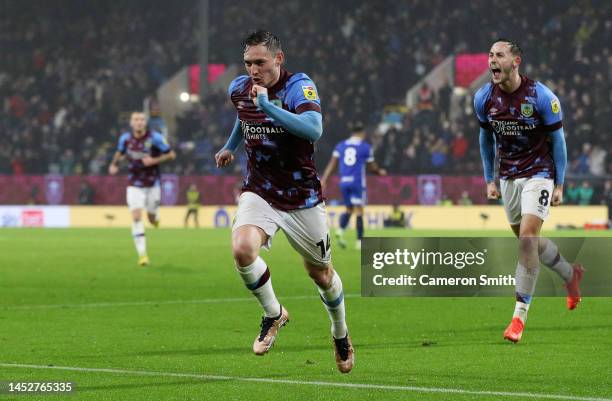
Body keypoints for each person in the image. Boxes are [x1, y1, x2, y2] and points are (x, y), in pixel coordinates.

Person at [214, 30, 353, 373]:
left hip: (302, 196)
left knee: (320, 274)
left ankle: (340, 332)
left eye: (260, 62)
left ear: (278, 59)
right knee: (242, 249)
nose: (253, 69)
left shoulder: (298, 86)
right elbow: (243, 116)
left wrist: (268, 107)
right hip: (260, 190)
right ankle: (273, 313)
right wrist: (231, 146)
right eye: (248, 63)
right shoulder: (239, 88)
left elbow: (313, 129)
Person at [475, 39, 584, 343]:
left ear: (516, 61)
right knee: (530, 243)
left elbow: (559, 142)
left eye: (498, 55)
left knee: (527, 240)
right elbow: (485, 140)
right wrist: (490, 179)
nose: (492, 61)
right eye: (490, 56)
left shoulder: (541, 97)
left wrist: (560, 183)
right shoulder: (483, 98)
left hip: (539, 173)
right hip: (508, 177)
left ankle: (518, 318)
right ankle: (570, 274)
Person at [108, 111, 176, 266]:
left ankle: (155, 218)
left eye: (141, 120)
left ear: (145, 123)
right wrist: (113, 164)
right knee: (137, 216)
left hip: (152, 184)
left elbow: (171, 154)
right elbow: (119, 152)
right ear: (131, 123)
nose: (138, 122)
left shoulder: (155, 138)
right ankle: (143, 255)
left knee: (151, 219)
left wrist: (155, 160)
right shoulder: (125, 139)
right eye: (135, 119)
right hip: (134, 183)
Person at [320, 122, 386, 250]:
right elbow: (372, 167)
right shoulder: (365, 147)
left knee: (349, 209)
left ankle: (340, 230)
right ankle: (359, 241)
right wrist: (380, 172)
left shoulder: (341, 146)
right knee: (359, 211)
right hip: (357, 182)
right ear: (363, 133)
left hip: (344, 182)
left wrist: (325, 180)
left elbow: (332, 164)